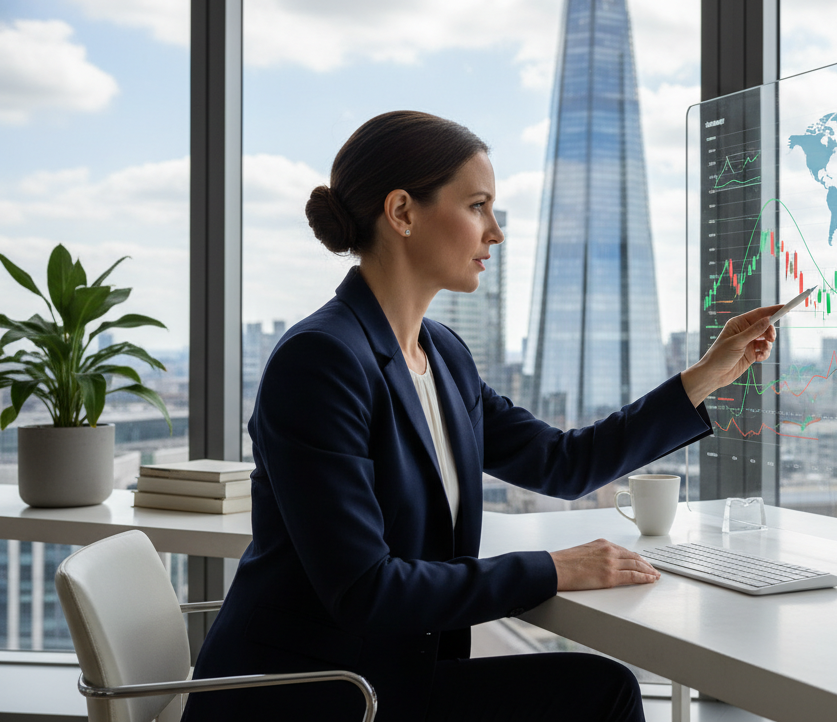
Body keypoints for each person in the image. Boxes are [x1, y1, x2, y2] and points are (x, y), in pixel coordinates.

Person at [182, 111, 777, 722]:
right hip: (315, 694)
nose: (495, 231)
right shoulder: (321, 361)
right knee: (601, 693)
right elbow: (365, 589)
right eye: (477, 205)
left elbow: (562, 464)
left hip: (392, 674)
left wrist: (707, 374)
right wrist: (553, 569)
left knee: (597, 688)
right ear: (403, 213)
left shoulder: (443, 355)